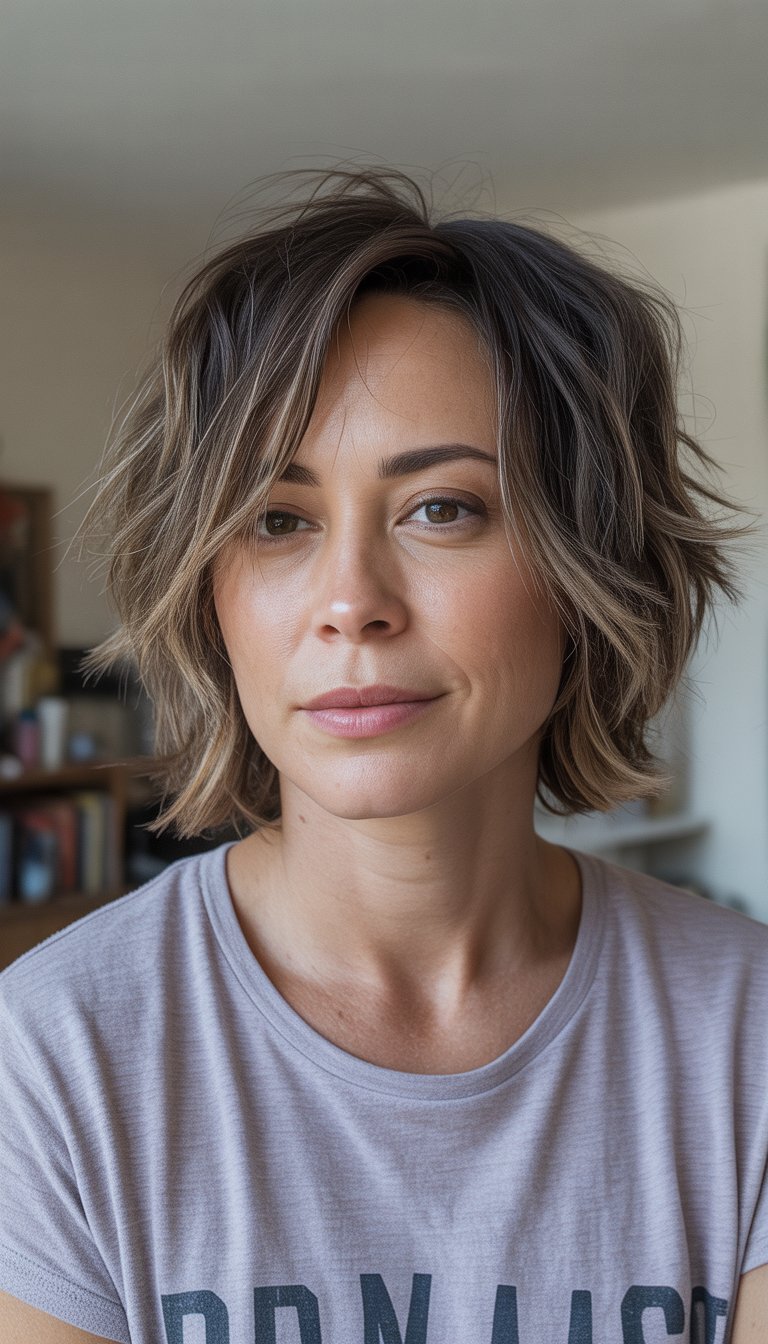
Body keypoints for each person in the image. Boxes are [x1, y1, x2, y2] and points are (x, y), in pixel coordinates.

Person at [1, 163, 766, 1343]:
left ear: (588, 565)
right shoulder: (53, 1055)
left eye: (441, 508)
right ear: (209, 594)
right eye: (278, 520)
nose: (350, 601)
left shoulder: (747, 1037)